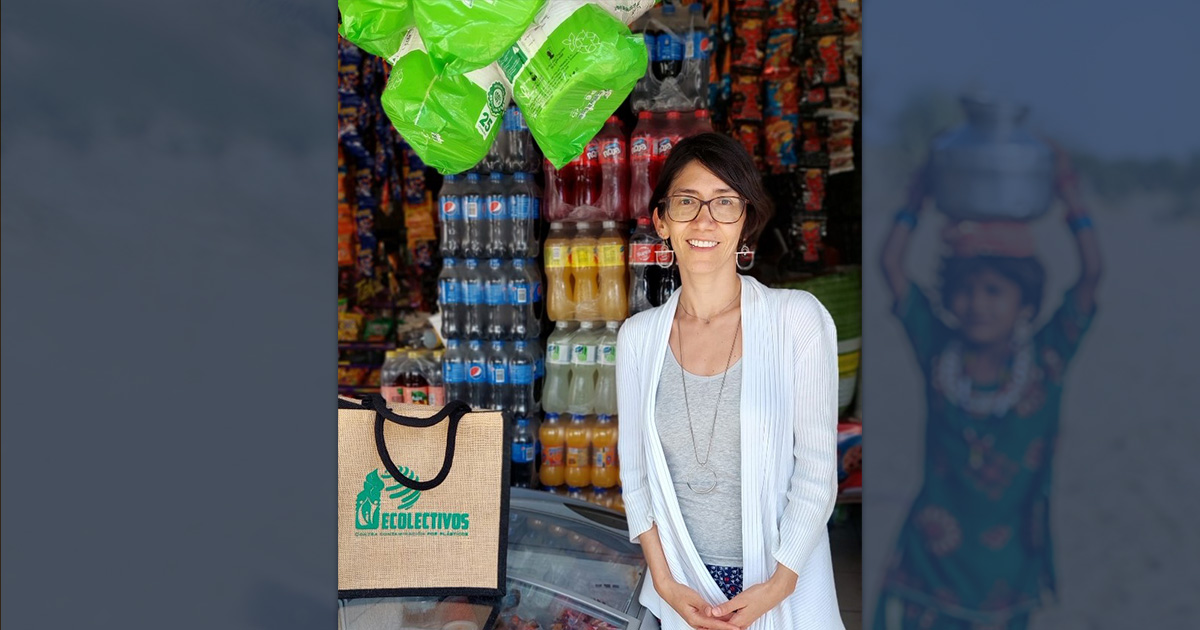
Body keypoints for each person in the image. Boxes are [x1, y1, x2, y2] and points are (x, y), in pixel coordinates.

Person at [617, 133, 845, 630]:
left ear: (745, 222)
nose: (704, 220)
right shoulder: (637, 339)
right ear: (661, 221)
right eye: (686, 202)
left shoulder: (796, 321)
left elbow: (816, 473)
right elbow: (634, 478)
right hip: (683, 590)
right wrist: (665, 582)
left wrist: (780, 583)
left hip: (782, 586)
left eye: (724, 203)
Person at [872, 147, 1102, 629]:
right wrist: (917, 197)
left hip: (1010, 565)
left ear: (1025, 302)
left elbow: (1091, 274)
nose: (977, 304)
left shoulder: (1047, 359)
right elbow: (892, 265)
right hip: (929, 561)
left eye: (994, 292)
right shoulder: (938, 351)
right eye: (966, 290)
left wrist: (1070, 197)